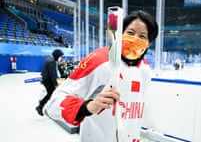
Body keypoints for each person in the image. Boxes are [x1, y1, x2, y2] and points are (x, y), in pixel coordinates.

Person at [45, 10, 158, 141]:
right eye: (130, 33)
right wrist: (88, 107)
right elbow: (54, 105)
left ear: (149, 43)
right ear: (120, 33)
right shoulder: (99, 60)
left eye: (142, 36)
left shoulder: (145, 69)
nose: (135, 39)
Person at [36, 49, 64, 116]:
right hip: (48, 80)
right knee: (51, 93)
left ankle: (41, 104)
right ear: (57, 55)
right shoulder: (52, 62)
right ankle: (40, 106)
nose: (60, 58)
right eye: (60, 56)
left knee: (50, 93)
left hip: (46, 79)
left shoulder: (49, 59)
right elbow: (52, 74)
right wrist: (56, 84)